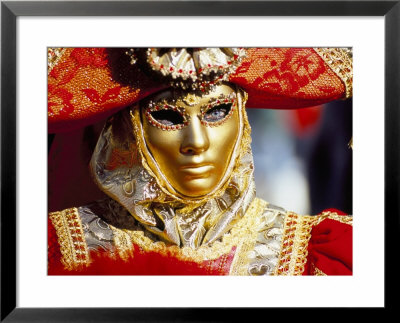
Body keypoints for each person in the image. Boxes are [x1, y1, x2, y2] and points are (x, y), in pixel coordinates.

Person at [48, 47, 353, 275]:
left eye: (217, 112)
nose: (197, 142)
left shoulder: (316, 254)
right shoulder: (57, 246)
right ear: (130, 130)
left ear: (242, 118)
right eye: (167, 116)